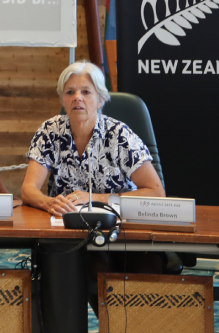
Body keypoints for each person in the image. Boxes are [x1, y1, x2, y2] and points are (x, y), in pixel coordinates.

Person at [22, 61, 164, 216]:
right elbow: (28, 189)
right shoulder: (50, 131)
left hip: (117, 226)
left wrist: (96, 199)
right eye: (70, 92)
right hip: (64, 225)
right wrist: (49, 203)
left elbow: (156, 192)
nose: (77, 97)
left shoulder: (119, 135)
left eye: (86, 92)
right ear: (63, 100)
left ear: (100, 100)